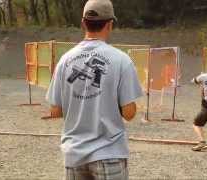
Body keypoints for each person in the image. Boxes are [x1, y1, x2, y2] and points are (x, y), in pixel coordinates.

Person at [45, 0, 143, 179]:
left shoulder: (64, 60)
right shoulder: (121, 60)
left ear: (83, 24)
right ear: (110, 25)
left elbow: (55, 110)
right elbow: (129, 113)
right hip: (109, 152)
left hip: (74, 154)